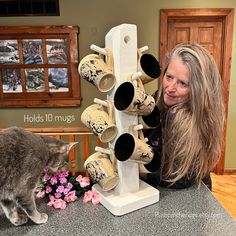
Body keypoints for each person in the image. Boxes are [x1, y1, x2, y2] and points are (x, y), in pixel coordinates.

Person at [140, 42, 225, 190]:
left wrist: (139, 172)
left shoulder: (190, 121)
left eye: (183, 83)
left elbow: (180, 179)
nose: (170, 88)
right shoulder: (159, 98)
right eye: (169, 77)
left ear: (198, 90)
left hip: (188, 198)